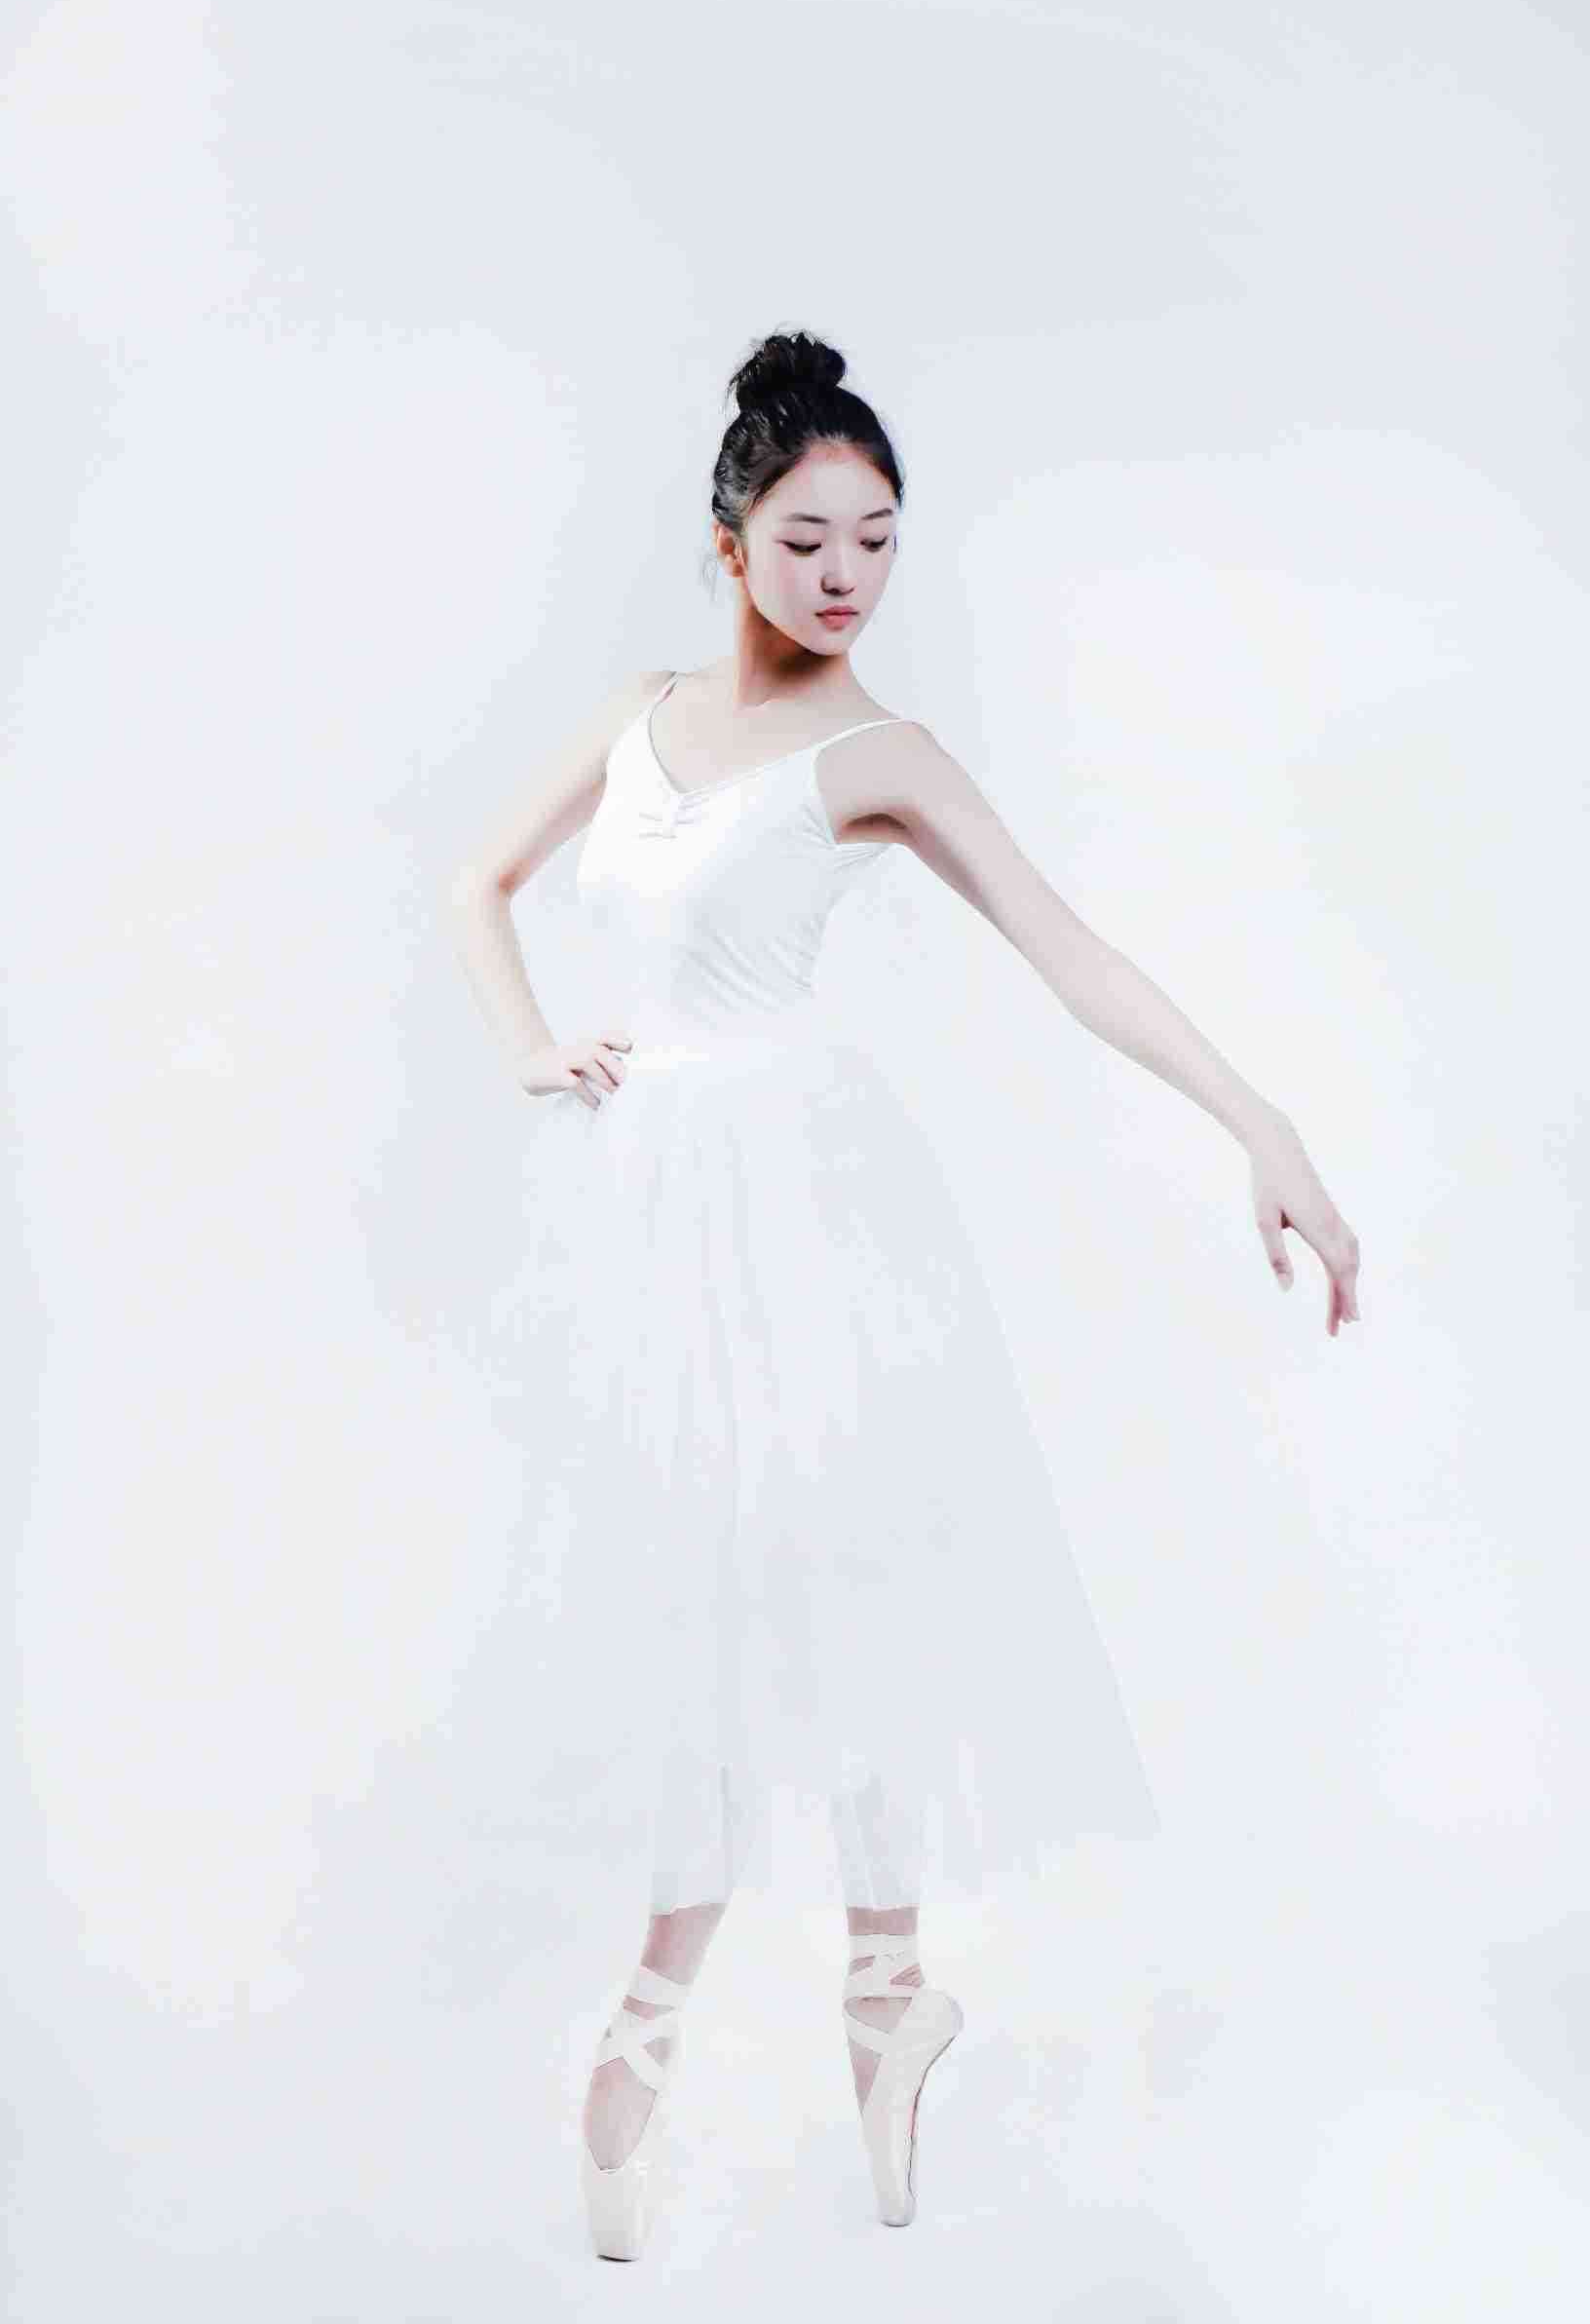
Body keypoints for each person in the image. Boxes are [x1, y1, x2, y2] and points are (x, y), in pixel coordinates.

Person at [445, 327, 1362, 2259]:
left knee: (834, 1572)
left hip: (806, 1200)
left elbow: (1074, 955)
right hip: (639, 1206)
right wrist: (531, 1046)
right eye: (806, 539)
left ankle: (837, 2002)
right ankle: (785, 2013)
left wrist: (1261, 1122)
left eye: (876, 537)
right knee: (687, 1593)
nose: (846, 572)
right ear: (728, 543)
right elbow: (478, 888)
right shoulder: (638, 720)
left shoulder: (879, 757)